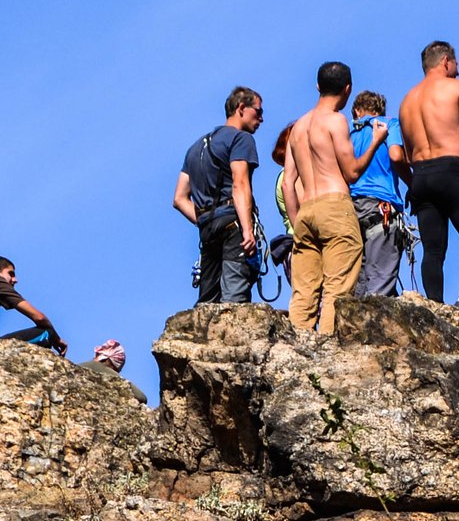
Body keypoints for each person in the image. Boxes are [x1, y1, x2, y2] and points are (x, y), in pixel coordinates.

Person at [272, 62, 380, 333]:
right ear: (347, 89)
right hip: (335, 206)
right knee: (337, 288)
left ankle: (297, 349)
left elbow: (287, 184)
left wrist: (298, 226)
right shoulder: (335, 120)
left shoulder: (297, 128)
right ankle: (327, 351)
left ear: (318, 86)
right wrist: (377, 139)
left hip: (306, 210)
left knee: (304, 293)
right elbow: (353, 172)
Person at [399, 39, 459, 304]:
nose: (458, 71)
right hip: (451, 169)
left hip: (420, 176)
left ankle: (435, 307)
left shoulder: (406, 102)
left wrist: (414, 181)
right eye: (456, 65)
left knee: (433, 251)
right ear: (445, 62)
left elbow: (406, 154)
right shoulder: (457, 88)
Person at [175, 87, 265, 303]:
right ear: (241, 108)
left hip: (208, 229)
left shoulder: (196, 148)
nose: (261, 118)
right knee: (234, 299)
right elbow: (240, 183)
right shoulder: (241, 139)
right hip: (233, 225)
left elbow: (179, 198)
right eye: (258, 111)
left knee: (208, 301)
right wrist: (247, 230)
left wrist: (205, 219)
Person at [348, 90, 414, 297]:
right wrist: (413, 183)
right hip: (381, 206)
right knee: (380, 285)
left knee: (356, 283)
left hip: (349, 208)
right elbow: (396, 155)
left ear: (357, 111)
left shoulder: (347, 129)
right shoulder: (388, 124)